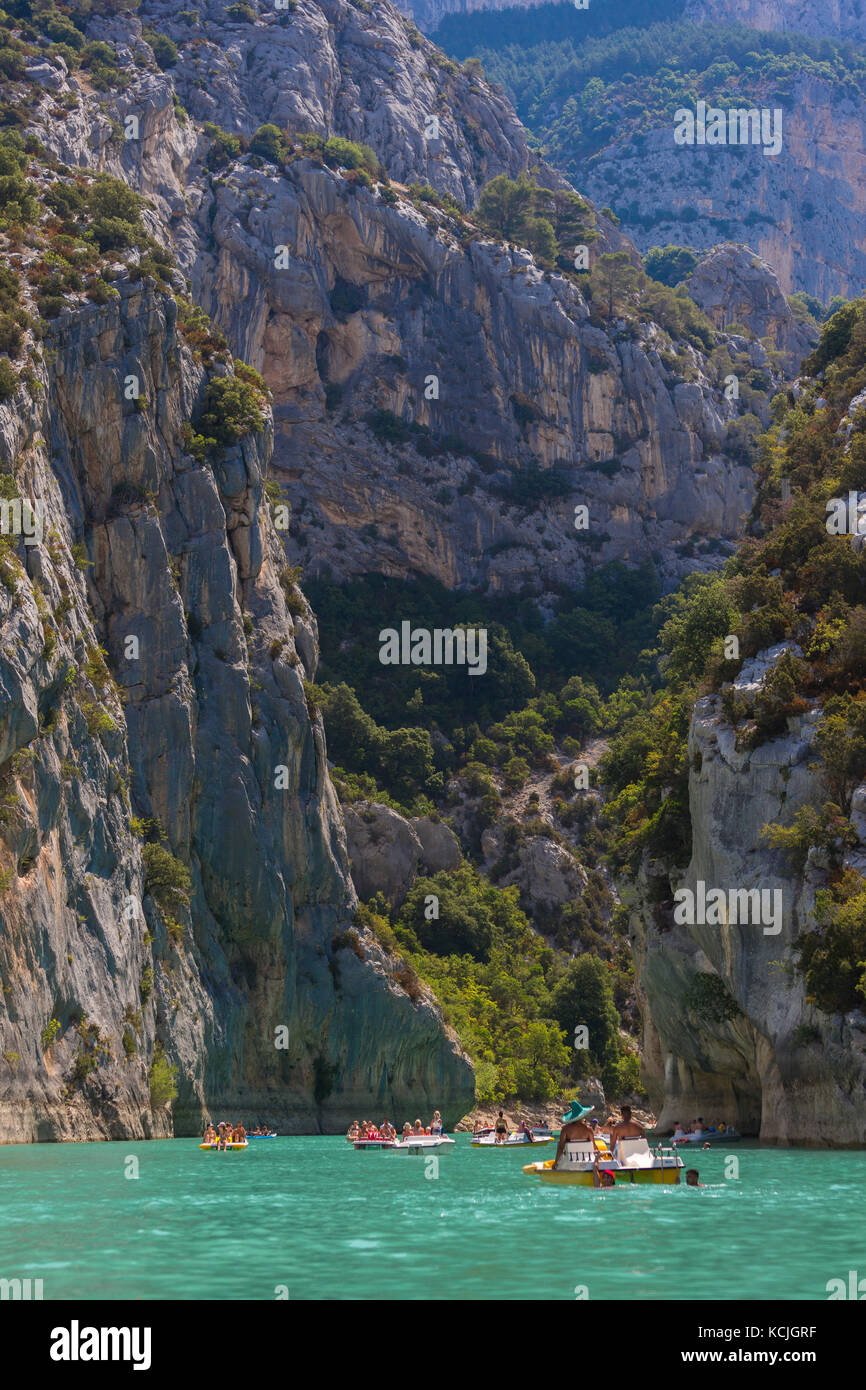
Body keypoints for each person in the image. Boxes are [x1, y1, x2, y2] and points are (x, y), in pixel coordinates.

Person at [554, 1101, 595, 1168]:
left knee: (559, 1143)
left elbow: (561, 1148)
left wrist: (556, 1163)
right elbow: (594, 1146)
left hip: (569, 1162)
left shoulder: (565, 1129)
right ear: (582, 1116)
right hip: (588, 1161)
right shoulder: (588, 1129)